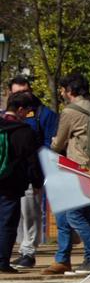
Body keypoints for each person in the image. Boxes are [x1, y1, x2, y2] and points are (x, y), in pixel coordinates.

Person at [45, 72, 90, 274]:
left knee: (74, 214)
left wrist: (54, 142)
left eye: (63, 89)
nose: (62, 93)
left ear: (70, 90)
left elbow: (58, 143)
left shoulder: (70, 111)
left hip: (78, 166)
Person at [6, 88, 55, 268]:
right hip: (18, 177)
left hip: (24, 176)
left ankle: (28, 251)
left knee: (30, 214)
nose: (27, 114)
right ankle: (21, 249)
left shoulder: (44, 116)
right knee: (19, 216)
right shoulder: (19, 125)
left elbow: (46, 146)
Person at [0, 104, 43, 272]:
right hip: (11, 183)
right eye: (27, 111)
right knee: (7, 223)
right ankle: (2, 261)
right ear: (20, 110)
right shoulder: (24, 131)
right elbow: (32, 161)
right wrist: (37, 182)